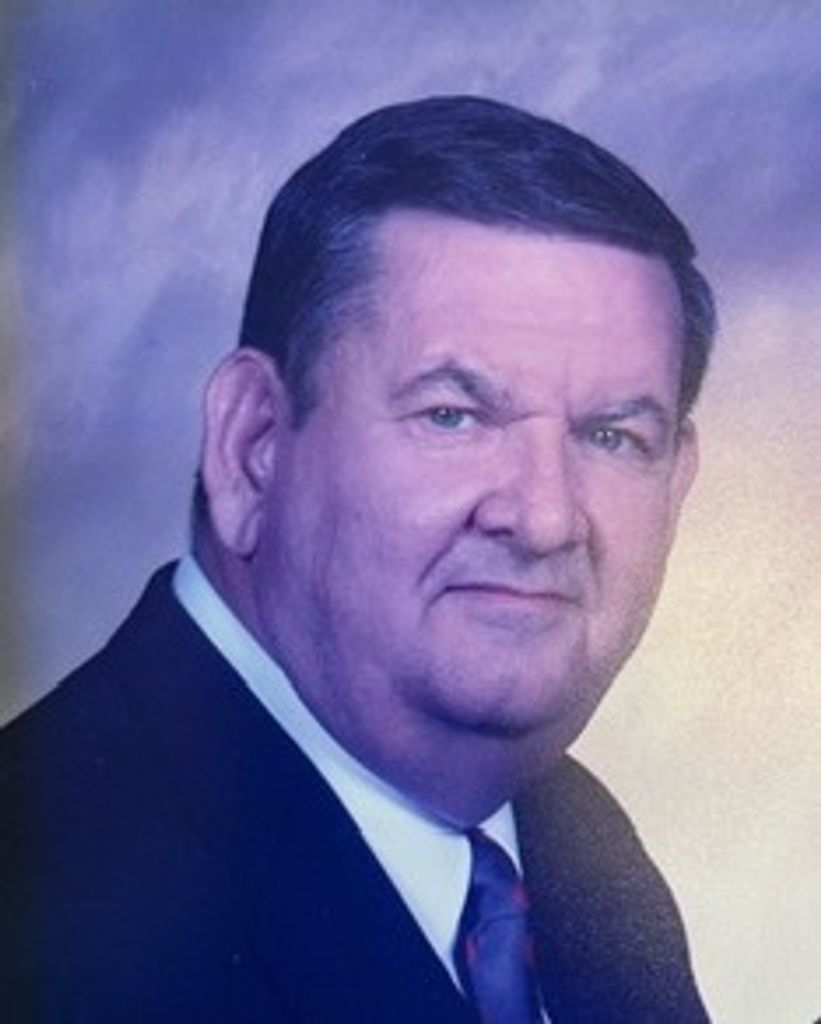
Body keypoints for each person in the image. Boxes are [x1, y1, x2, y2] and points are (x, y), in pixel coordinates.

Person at [0, 96, 715, 1022]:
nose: (543, 519)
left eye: (612, 436)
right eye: (452, 416)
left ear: (676, 482)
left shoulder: (579, 856)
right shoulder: (43, 901)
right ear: (254, 445)